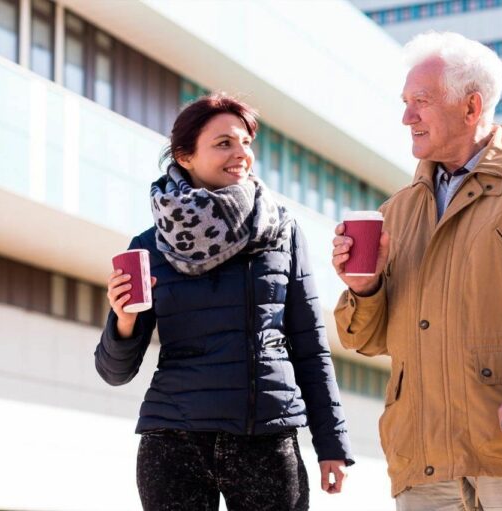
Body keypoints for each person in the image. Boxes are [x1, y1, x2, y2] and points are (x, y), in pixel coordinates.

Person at [332, 32, 502, 510]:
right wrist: (364, 290)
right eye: (405, 102)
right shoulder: (397, 210)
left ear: (471, 106)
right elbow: (364, 340)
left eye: (421, 102)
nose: (406, 116)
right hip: (421, 458)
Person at [95, 93, 353, 511]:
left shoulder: (281, 233)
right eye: (223, 144)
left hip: (266, 438)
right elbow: (114, 372)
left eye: (246, 142)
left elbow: (309, 347)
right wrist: (123, 321)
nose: (241, 155)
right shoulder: (149, 246)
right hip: (173, 443)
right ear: (184, 156)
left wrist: (332, 444)